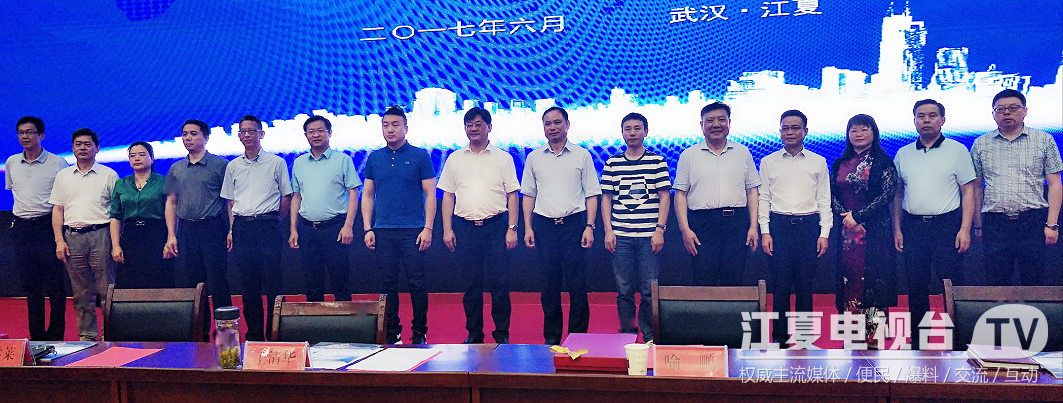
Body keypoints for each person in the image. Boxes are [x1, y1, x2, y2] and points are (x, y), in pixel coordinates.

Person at [893, 100, 976, 349]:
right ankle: (919, 341)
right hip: (913, 226)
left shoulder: (958, 150)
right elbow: (897, 194)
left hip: (947, 226)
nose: (926, 120)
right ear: (914, 121)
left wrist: (965, 229)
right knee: (916, 285)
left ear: (943, 120)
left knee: (951, 285)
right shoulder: (903, 153)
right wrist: (897, 228)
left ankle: (958, 340)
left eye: (932, 115)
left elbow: (968, 192)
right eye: (921, 116)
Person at [521, 106, 602, 345]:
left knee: (577, 285)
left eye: (557, 122)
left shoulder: (582, 155)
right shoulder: (534, 157)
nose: (552, 127)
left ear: (567, 124)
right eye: (547, 123)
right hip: (544, 226)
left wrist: (589, 226)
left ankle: (577, 337)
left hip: (573, 225)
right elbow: (528, 195)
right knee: (549, 285)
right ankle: (552, 337)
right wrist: (528, 227)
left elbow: (592, 194)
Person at [439, 107, 519, 344]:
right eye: (469, 125)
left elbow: (512, 195)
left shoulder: (503, 158)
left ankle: (501, 334)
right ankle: (474, 334)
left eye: (478, 124)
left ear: (489, 127)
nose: (473, 129)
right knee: (471, 285)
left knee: (499, 285)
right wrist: (447, 229)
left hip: (496, 227)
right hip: (465, 228)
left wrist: (512, 228)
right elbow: (448, 196)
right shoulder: (454, 158)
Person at [972, 89, 1062, 286]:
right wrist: (978, 224)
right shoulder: (980, 144)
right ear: (993, 114)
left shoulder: (1044, 140)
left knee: (1034, 282)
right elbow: (977, 188)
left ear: (1025, 111)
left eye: (1013, 108)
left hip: (1032, 221)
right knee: (996, 284)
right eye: (1000, 109)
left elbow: (1055, 184)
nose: (1007, 113)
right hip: (995, 223)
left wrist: (1052, 224)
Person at [362, 106, 436, 345]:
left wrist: (428, 228)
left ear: (406, 128)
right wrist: (367, 228)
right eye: (385, 125)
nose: (390, 129)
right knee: (387, 285)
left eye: (395, 125)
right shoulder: (374, 158)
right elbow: (368, 195)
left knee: (417, 283)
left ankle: (419, 332)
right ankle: (392, 331)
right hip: (383, 230)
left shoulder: (420, 156)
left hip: (413, 230)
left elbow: (430, 194)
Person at [759, 110, 831, 345]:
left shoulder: (818, 161)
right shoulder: (768, 162)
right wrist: (765, 231)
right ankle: (779, 337)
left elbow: (824, 200)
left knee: (804, 285)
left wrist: (824, 233)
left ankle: (803, 337)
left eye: (795, 128)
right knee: (780, 286)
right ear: (780, 131)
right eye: (785, 128)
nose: (789, 132)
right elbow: (764, 198)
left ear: (805, 131)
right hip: (779, 226)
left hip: (808, 226)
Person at [221, 115, 292, 341]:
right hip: (242, 227)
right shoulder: (233, 166)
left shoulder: (276, 162)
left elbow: (286, 196)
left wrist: (274, 219)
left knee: (273, 283)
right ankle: (254, 335)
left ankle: (276, 333)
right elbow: (230, 201)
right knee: (248, 284)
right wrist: (232, 229)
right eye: (242, 131)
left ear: (261, 134)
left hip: (268, 225)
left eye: (252, 131)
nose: (247, 135)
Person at [601, 112, 670, 342]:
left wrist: (659, 230)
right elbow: (606, 198)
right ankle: (628, 334)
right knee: (624, 290)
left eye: (637, 128)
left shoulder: (657, 161)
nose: (632, 133)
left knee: (649, 291)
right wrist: (608, 230)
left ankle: (649, 335)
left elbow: (664, 197)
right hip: (620, 236)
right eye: (627, 129)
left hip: (649, 236)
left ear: (646, 132)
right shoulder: (612, 163)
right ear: (622, 133)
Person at [674, 102, 760, 286]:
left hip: (737, 223)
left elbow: (752, 191)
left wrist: (753, 226)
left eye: (721, 119)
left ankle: (733, 307)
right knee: (704, 279)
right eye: (710, 120)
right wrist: (685, 230)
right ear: (701, 125)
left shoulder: (743, 152)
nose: (716, 125)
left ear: (729, 123)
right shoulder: (688, 155)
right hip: (702, 224)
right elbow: (680, 195)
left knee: (734, 279)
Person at [829, 114, 897, 346]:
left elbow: (887, 195)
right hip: (847, 233)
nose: (858, 134)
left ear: (874, 133)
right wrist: (847, 218)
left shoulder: (884, 162)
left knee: (875, 280)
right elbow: (832, 195)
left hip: (874, 231)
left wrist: (858, 217)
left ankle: (873, 334)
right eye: (853, 130)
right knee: (849, 280)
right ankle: (852, 334)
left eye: (864, 129)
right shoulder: (839, 163)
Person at [163, 120, 233, 339]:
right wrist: (171, 235)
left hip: (213, 228)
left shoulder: (220, 165)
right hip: (187, 230)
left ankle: (226, 336)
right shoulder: (176, 168)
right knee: (194, 286)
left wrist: (232, 229)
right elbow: (171, 202)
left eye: (193, 133)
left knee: (218, 283)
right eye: (185, 134)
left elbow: (230, 201)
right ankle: (199, 335)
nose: (188, 138)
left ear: (206, 137)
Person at [49, 128, 119, 341]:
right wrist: (59, 240)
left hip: (101, 234)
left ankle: (110, 334)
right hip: (72, 236)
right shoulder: (63, 176)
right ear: (72, 148)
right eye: (78, 144)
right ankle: (87, 336)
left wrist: (115, 242)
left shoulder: (109, 174)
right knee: (81, 290)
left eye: (88, 144)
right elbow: (58, 209)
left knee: (107, 288)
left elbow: (116, 212)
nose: (82, 148)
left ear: (97, 148)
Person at [6, 116, 69, 341]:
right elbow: (14, 190)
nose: (25, 136)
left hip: (47, 226)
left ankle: (56, 336)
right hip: (21, 228)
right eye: (21, 132)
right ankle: (37, 337)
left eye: (30, 132)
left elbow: (64, 197)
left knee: (55, 285)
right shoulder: (12, 162)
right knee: (31, 286)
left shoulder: (58, 163)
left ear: (41, 135)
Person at [288, 115, 360, 302]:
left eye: (320, 131)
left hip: (335, 229)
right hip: (307, 230)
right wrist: (293, 229)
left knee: (340, 282)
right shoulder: (299, 163)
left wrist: (348, 226)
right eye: (311, 132)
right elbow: (296, 196)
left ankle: (345, 321)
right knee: (312, 284)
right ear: (306, 135)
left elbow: (353, 194)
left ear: (330, 133)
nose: (316, 135)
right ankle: (314, 321)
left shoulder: (343, 160)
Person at [109, 141, 174, 288]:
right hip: (130, 236)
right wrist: (116, 245)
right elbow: (115, 216)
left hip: (157, 234)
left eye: (142, 155)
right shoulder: (121, 184)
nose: (137, 158)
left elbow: (172, 212)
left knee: (159, 280)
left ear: (152, 158)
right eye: (132, 156)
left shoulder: (164, 182)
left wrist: (170, 238)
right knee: (131, 281)